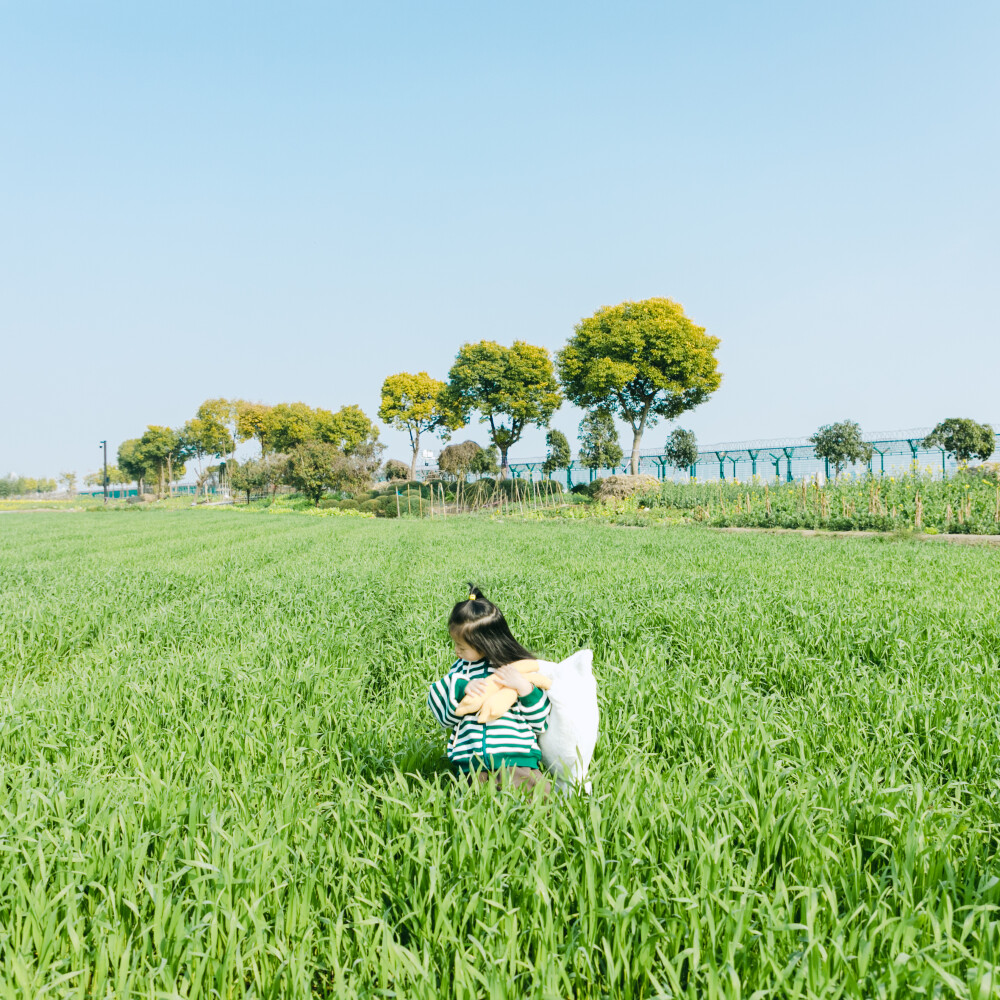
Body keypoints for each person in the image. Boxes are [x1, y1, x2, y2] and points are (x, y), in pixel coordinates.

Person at [427, 585, 551, 793]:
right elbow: (442, 711)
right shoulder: (459, 673)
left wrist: (523, 688)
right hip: (472, 764)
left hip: (516, 759)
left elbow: (541, 721)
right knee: (472, 810)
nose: (456, 651)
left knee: (534, 802)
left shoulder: (515, 668)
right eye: (455, 644)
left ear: (485, 643)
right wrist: (462, 687)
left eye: (462, 647)